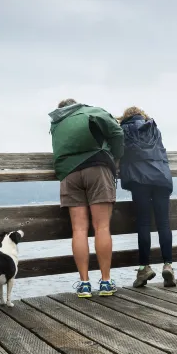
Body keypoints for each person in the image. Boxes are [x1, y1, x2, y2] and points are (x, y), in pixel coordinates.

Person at [49, 98, 124, 297]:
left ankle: (84, 284)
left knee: (79, 229)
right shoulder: (90, 111)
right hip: (97, 168)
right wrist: (116, 155)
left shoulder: (56, 124)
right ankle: (106, 282)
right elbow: (117, 132)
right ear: (76, 105)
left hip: (69, 173)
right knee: (102, 227)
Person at [118, 106, 175, 288]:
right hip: (161, 178)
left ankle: (144, 267)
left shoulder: (124, 130)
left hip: (139, 180)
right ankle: (168, 265)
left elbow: (119, 153)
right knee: (163, 223)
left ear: (125, 118)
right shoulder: (153, 128)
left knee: (143, 223)